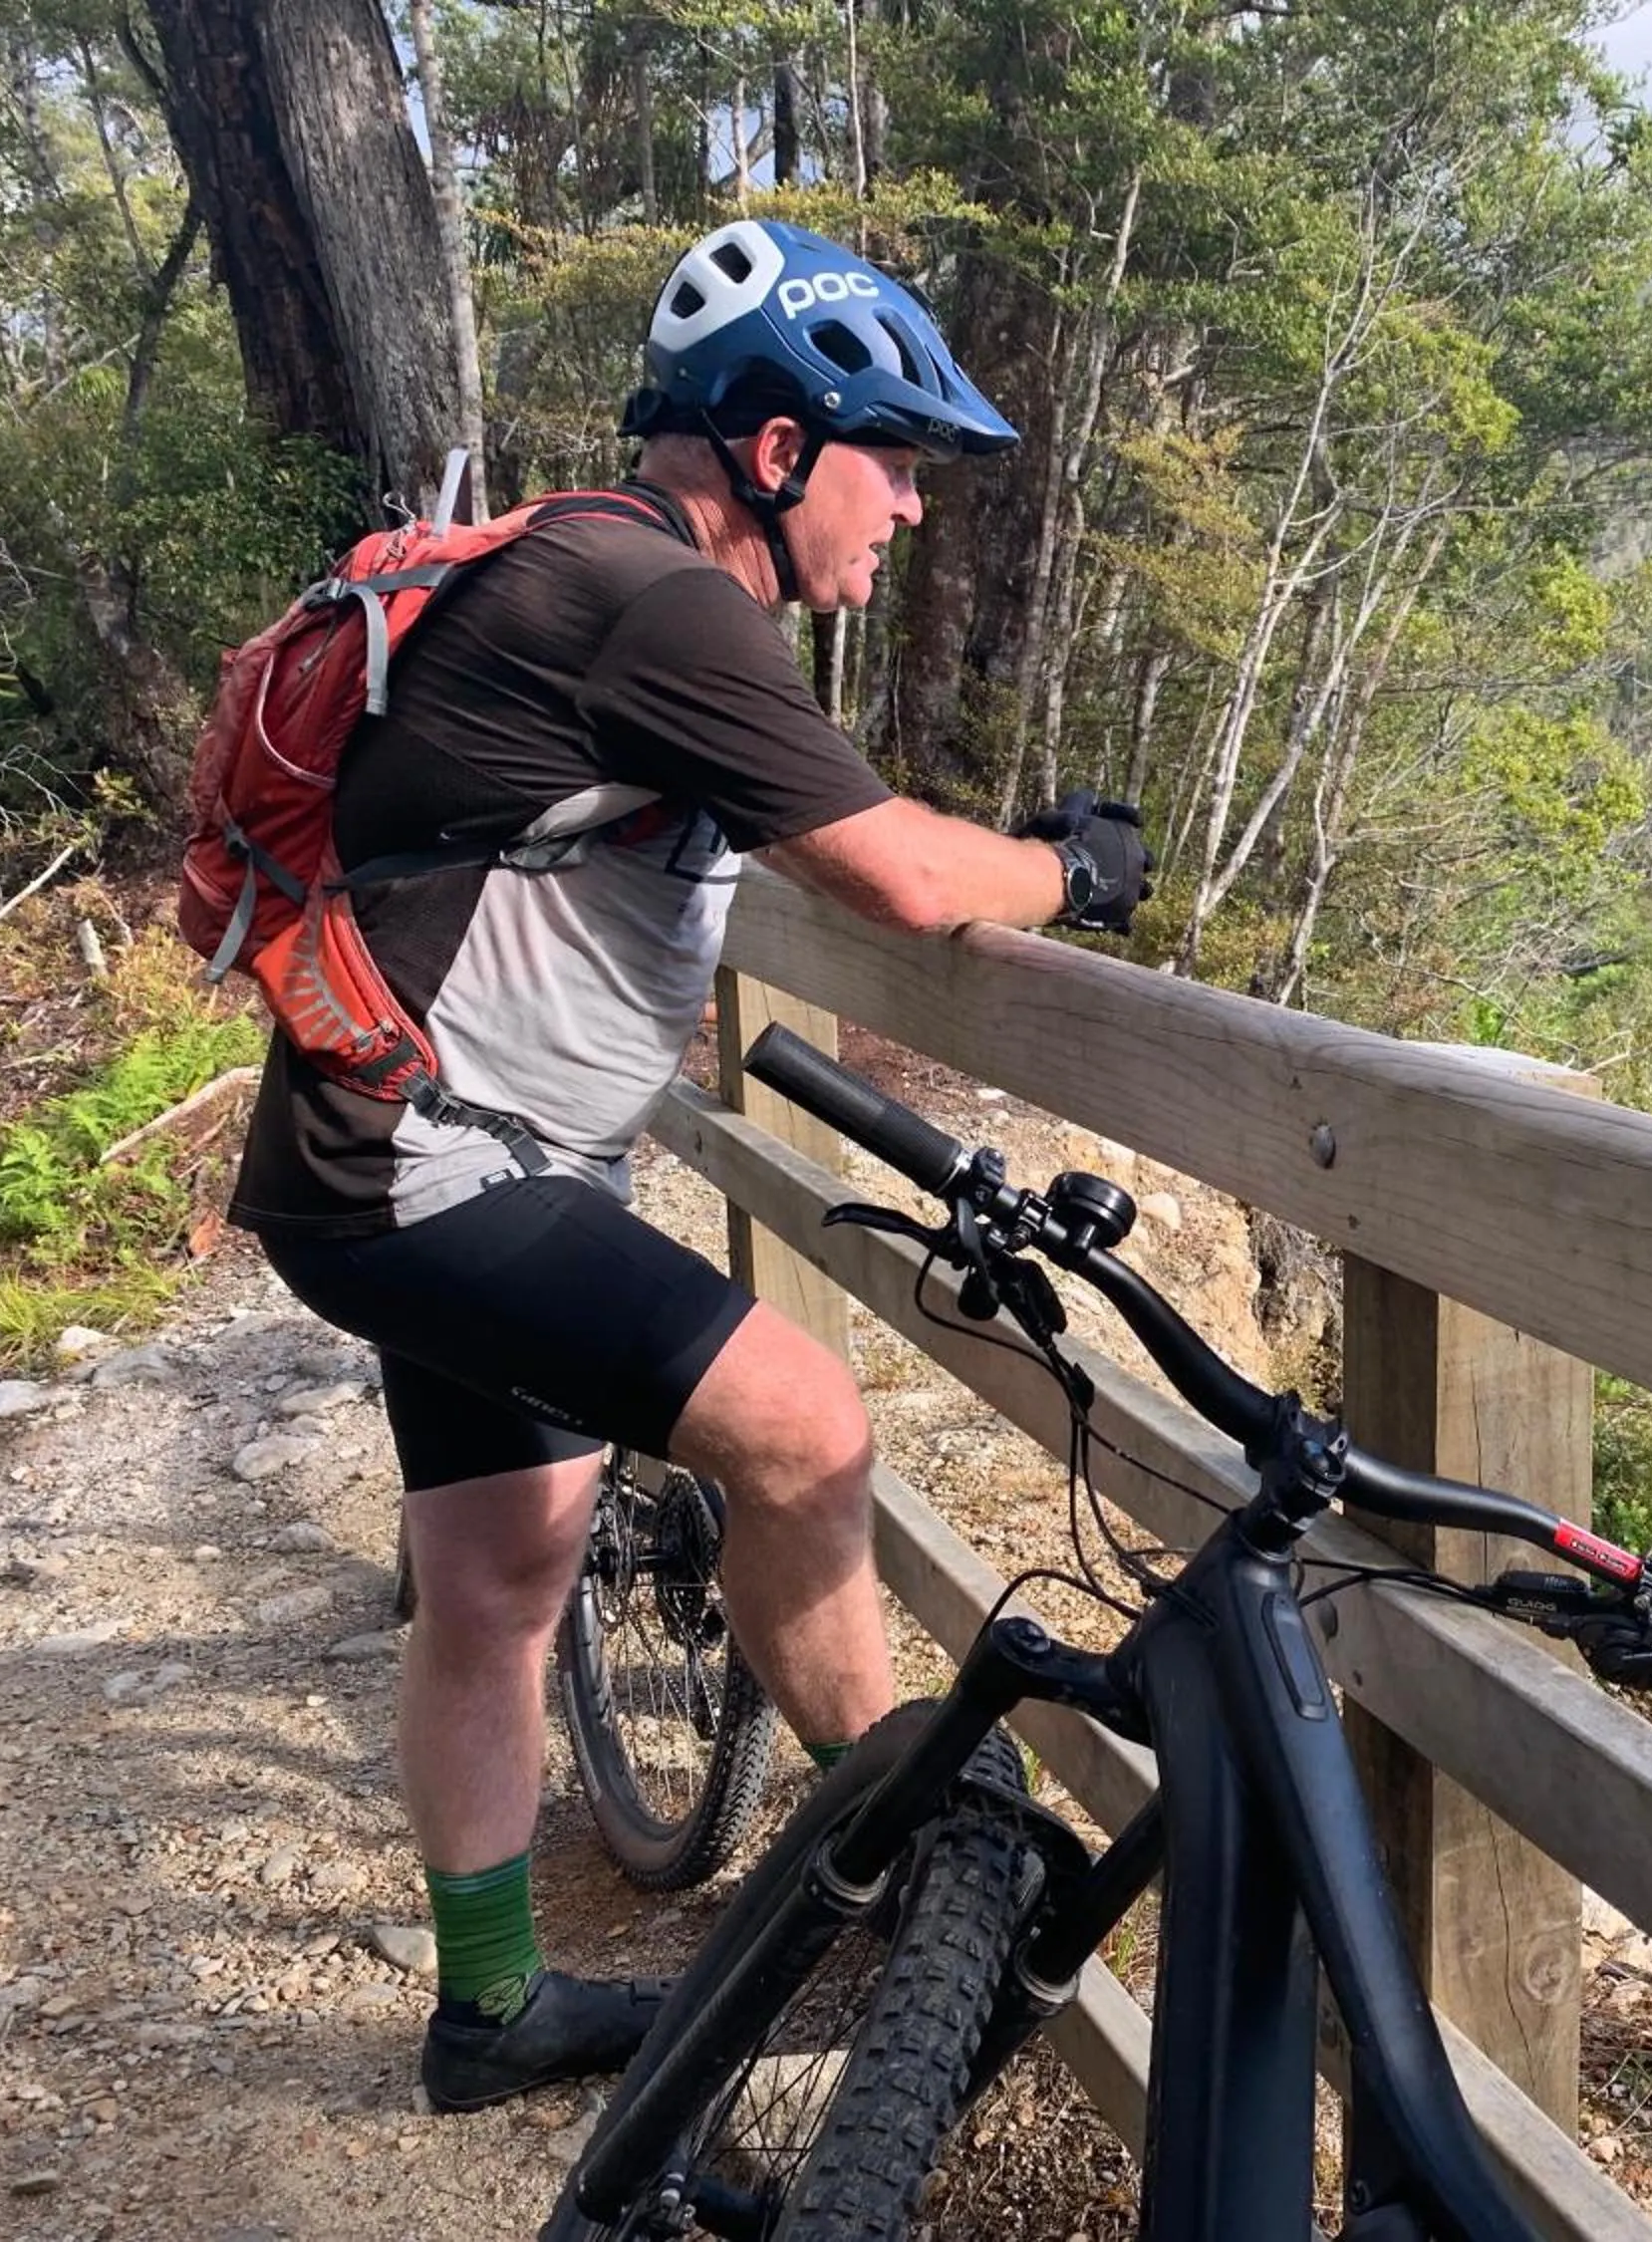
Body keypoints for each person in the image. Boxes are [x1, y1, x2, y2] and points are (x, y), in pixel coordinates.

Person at [224, 217, 1151, 2113]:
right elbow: (888, 869)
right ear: (779, 448)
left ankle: (488, 2005)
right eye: (894, 458)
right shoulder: (662, 602)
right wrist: (1078, 874)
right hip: (429, 1169)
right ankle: (923, 1838)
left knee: (497, 1578)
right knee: (806, 1425)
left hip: (410, 1156)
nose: (911, 506)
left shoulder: (604, 576)